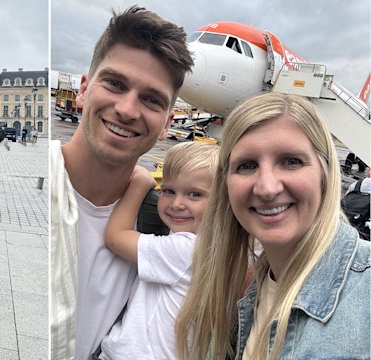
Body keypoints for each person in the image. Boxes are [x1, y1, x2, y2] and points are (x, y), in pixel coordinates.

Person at [175, 92, 371, 359]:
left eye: (291, 161)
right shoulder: (247, 292)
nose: (267, 188)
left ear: (325, 174)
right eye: (246, 165)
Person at [49, 6, 193, 359]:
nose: (127, 109)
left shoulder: (165, 223)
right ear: (83, 90)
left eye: (151, 99)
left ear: (166, 124)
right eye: (115, 83)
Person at [95, 142, 218, 359]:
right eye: (168, 191)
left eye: (194, 194)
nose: (177, 203)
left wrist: (139, 184)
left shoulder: (187, 250)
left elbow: (115, 237)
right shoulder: (211, 247)